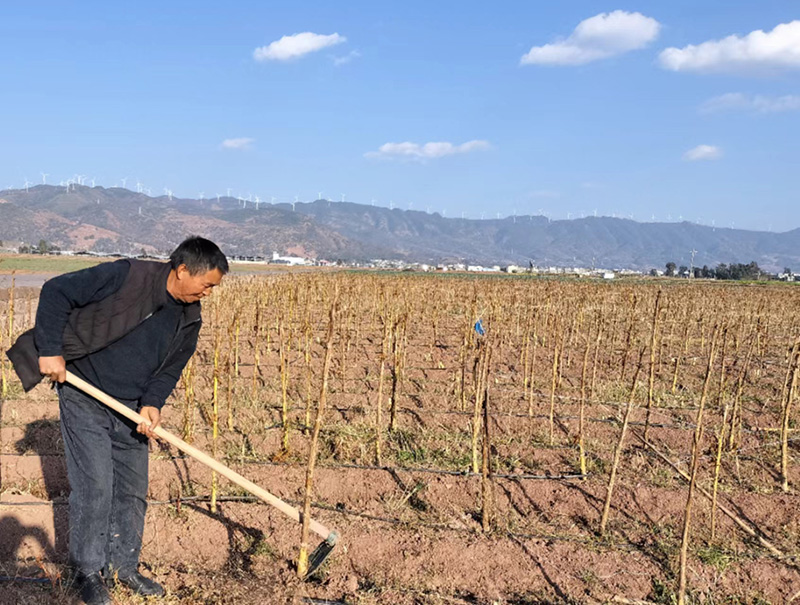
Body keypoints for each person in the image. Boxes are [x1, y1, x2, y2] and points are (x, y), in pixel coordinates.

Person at [7, 236, 228, 605]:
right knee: (95, 487)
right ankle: (88, 572)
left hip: (131, 408)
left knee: (131, 490)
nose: (209, 292)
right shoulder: (127, 275)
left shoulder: (190, 318)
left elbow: (170, 369)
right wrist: (50, 351)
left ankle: (124, 567)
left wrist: (153, 403)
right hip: (85, 393)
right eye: (207, 284)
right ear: (184, 269)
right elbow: (56, 290)